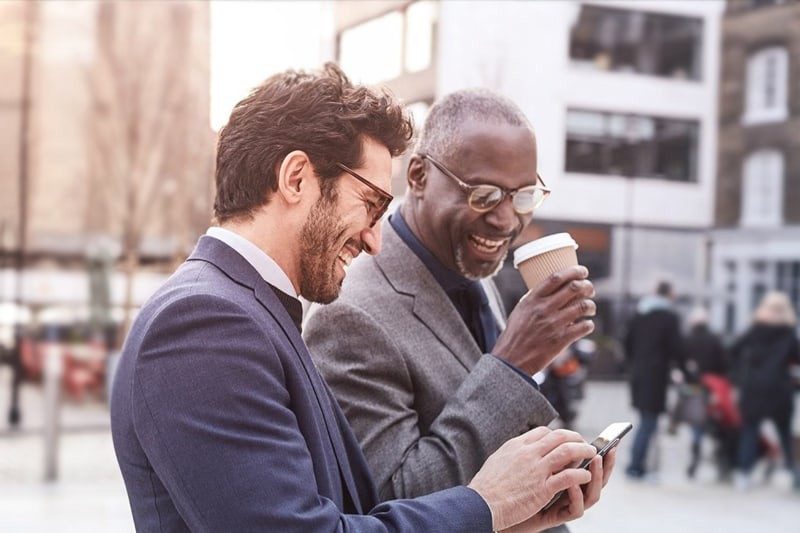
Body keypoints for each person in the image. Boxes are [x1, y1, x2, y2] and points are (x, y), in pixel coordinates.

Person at [110, 64, 607, 532]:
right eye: (370, 203)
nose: (374, 239)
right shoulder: (205, 323)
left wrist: (509, 517)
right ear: (297, 178)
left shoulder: (250, 309)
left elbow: (355, 512)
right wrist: (486, 505)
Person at [303, 88, 612, 532]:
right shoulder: (350, 316)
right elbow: (391, 502)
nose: (506, 220)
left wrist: (557, 484)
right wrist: (515, 363)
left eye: (523, 196)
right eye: (484, 195)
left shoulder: (471, 269)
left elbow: (502, 458)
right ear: (419, 176)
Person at [731, 291, 800, 491]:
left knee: (749, 432)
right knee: (784, 433)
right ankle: (793, 474)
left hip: (753, 388)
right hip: (779, 388)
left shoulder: (754, 330)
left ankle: (744, 474)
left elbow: (733, 350)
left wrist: (740, 376)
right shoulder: (788, 333)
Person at [624, 280, 685, 480]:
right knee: (649, 422)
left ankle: (638, 463)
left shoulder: (639, 314)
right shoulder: (669, 317)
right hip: (656, 376)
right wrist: (684, 370)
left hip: (638, 374)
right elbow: (677, 348)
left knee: (644, 419)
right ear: (668, 295)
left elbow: (627, 343)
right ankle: (636, 465)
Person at [678, 306, 728, 478]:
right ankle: (721, 461)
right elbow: (723, 365)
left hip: (692, 388)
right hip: (712, 388)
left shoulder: (686, 339)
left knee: (696, 426)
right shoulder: (715, 339)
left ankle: (695, 458)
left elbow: (680, 364)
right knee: (716, 425)